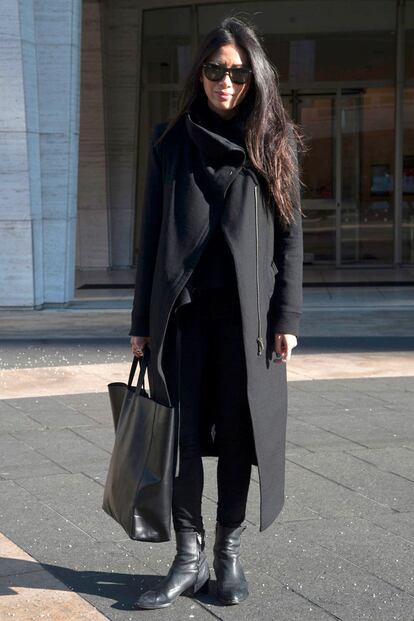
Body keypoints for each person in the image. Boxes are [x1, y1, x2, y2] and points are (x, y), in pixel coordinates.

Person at [129, 15, 304, 610]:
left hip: (247, 326)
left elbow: (290, 240)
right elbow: (150, 240)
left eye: (236, 72)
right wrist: (140, 325)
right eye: (214, 70)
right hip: (181, 319)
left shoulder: (272, 144)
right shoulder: (170, 141)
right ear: (199, 73)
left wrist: (287, 320)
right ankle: (187, 553)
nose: (224, 82)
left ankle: (226, 554)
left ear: (253, 78)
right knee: (178, 438)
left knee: (237, 435)